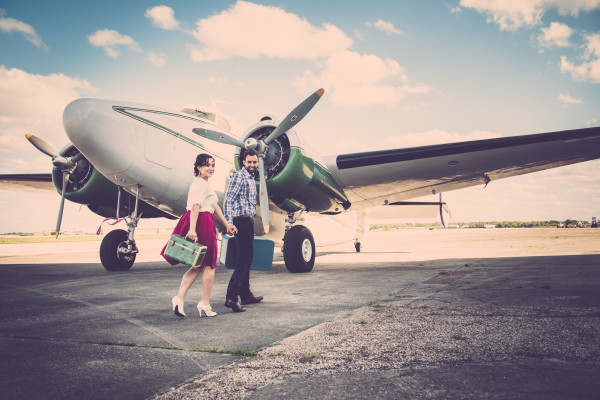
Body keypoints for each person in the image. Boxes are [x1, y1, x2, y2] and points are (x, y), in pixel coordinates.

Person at [161, 153, 236, 318]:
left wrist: (226, 225)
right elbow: (195, 206)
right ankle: (205, 303)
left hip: (204, 219)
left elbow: (214, 206)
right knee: (210, 264)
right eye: (206, 165)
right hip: (202, 221)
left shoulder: (205, 184)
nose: (211, 168)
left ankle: (179, 299)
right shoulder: (200, 184)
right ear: (198, 167)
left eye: (213, 165)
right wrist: (192, 230)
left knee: (197, 265)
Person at [222, 151, 264, 312]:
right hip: (240, 221)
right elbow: (228, 199)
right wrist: (229, 223)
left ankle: (245, 294)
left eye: (254, 162)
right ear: (244, 162)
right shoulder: (239, 176)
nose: (252, 165)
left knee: (248, 257)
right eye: (249, 162)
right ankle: (231, 297)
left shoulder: (251, 178)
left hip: (248, 220)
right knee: (243, 259)